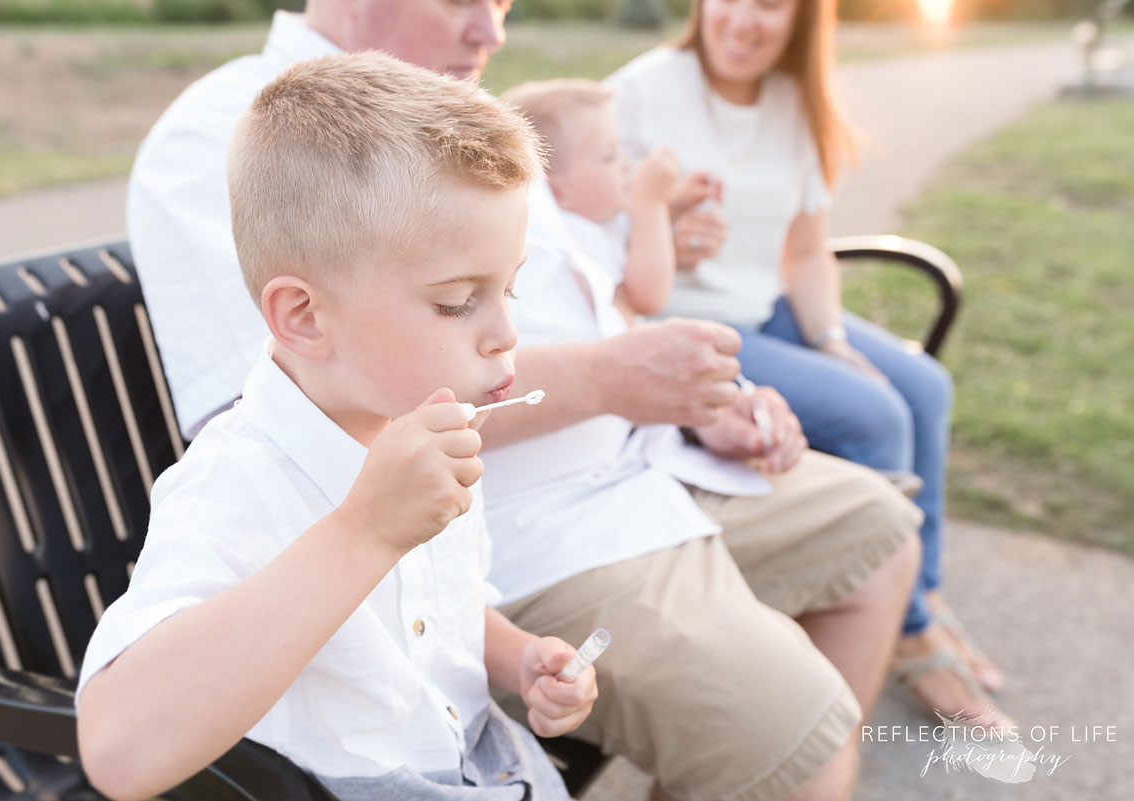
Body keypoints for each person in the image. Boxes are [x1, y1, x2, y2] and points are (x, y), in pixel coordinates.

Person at [128, 3, 924, 799]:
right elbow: (288, 431)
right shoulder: (236, 139)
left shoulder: (450, 115)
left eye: (502, 3)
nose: (491, 31)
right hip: (545, 531)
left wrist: (690, 396)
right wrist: (611, 377)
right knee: (806, 739)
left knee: (885, 535)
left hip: (625, 479)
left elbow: (572, 295)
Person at [75, 52, 598, 801]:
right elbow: (120, 751)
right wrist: (363, 529)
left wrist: (517, 659)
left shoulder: (422, 430)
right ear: (305, 317)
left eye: (508, 287)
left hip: (484, 760)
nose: (507, 333)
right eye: (457, 301)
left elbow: (439, 612)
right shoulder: (234, 487)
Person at [606, 0, 1010, 725]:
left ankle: (929, 593)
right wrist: (658, 232)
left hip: (768, 305)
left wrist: (828, 338)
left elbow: (803, 249)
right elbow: (579, 226)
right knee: (874, 412)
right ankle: (914, 633)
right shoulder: (643, 90)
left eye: (769, 3)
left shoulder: (797, 103)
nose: (742, 19)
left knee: (922, 387)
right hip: (686, 320)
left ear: (801, 19)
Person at [501, 78, 678, 322]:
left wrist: (677, 199)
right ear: (558, 193)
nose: (626, 164)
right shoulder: (577, 237)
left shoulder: (600, 217)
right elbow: (648, 298)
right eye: (610, 155)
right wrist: (651, 202)